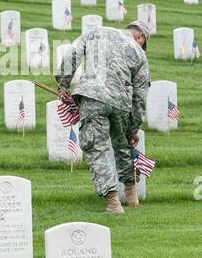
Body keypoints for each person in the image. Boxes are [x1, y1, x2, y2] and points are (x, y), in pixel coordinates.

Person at [55, 21, 150, 213]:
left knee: (97, 147)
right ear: (140, 36)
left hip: (93, 97)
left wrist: (63, 85)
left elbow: (72, 54)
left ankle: (113, 203)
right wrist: (133, 128)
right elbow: (140, 96)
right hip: (122, 103)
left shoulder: (96, 32)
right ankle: (131, 195)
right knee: (122, 145)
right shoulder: (139, 53)